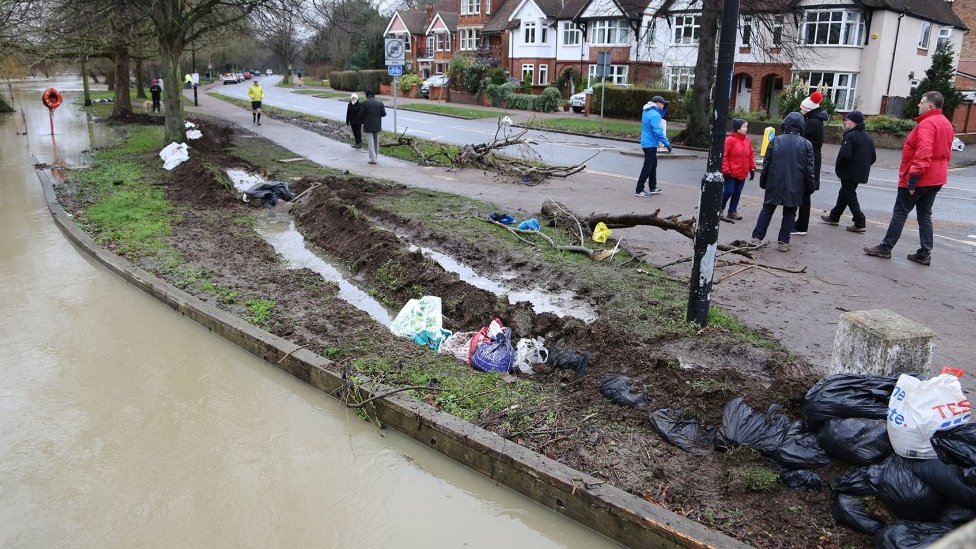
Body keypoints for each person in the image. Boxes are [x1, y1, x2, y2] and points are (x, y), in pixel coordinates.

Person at [864, 91, 954, 265]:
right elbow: (946, 153)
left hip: (920, 177)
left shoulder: (927, 124)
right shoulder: (946, 124)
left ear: (930, 106)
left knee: (900, 212)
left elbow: (924, 152)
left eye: (921, 103)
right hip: (936, 177)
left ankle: (885, 247)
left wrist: (913, 178)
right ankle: (924, 252)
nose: (918, 105)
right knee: (925, 215)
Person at [750, 112, 815, 252]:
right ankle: (783, 241)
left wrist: (763, 182)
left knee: (767, 209)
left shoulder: (775, 141)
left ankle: (756, 237)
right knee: (790, 213)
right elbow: (809, 169)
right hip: (796, 184)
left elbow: (766, 165)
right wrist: (809, 187)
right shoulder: (806, 144)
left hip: (775, 181)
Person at [821, 110, 875, 233]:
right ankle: (834, 216)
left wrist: (840, 167)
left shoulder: (850, 136)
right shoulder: (867, 137)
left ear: (852, 122)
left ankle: (860, 221)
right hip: (859, 172)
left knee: (850, 195)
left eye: (847, 120)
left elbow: (845, 155)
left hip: (849, 172)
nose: (846, 122)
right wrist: (863, 166)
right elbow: (873, 157)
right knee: (844, 194)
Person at [792, 91, 827, 235]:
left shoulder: (811, 122)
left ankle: (801, 226)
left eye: (802, 110)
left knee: (805, 194)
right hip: (813, 159)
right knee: (805, 193)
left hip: (809, 160)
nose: (801, 112)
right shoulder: (816, 120)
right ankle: (800, 224)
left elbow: (801, 138)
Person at [635, 95, 672, 197]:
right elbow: (658, 132)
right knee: (647, 167)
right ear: (657, 103)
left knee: (653, 165)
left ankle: (653, 187)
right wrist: (667, 144)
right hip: (651, 144)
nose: (664, 105)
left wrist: (663, 110)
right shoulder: (655, 115)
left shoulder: (646, 111)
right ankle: (639, 189)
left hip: (646, 143)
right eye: (662, 103)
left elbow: (658, 117)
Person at [720, 118, 756, 220]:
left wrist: (752, 168)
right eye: (743, 126)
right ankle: (719, 209)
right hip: (731, 172)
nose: (746, 129)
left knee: (737, 192)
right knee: (728, 191)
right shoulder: (730, 140)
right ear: (737, 128)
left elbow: (750, 155)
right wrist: (725, 170)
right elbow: (724, 156)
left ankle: (732, 211)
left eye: (746, 127)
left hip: (742, 172)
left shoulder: (747, 141)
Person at [361, 90, 386, 164]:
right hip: (377, 124)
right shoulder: (380, 103)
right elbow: (384, 114)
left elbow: (361, 115)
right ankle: (376, 155)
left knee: (370, 142)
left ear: (368, 95)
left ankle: (373, 158)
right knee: (376, 141)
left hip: (368, 125)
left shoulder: (364, 103)